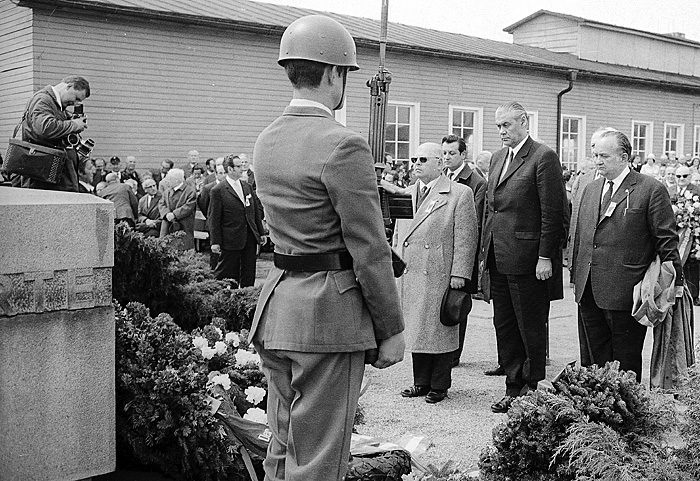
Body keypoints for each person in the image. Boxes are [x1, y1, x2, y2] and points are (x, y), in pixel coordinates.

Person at [249, 15, 405, 481]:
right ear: (335, 74)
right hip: (326, 320)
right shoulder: (342, 144)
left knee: (281, 448)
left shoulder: (267, 138)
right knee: (318, 461)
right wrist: (391, 328)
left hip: (279, 307)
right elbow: (369, 247)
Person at [572, 130, 682, 382]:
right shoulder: (590, 189)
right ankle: (596, 417)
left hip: (627, 292)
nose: (597, 161)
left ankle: (626, 418)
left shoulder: (649, 189)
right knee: (594, 364)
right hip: (589, 289)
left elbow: (666, 240)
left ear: (624, 157)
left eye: (604, 156)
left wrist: (675, 284)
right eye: (595, 155)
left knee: (625, 364)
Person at [481, 101, 566, 414]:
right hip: (499, 257)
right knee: (505, 326)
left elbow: (552, 213)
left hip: (529, 259)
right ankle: (514, 387)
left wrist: (546, 257)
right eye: (498, 126)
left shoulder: (543, 157)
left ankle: (532, 389)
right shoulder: (497, 158)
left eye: (507, 125)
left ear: (524, 122)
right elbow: (492, 209)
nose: (502, 132)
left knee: (529, 325)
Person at [394, 142, 477, 403]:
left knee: (439, 328)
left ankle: (439, 385)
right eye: (414, 160)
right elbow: (399, 234)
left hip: (439, 270)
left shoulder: (458, 194)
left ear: (439, 164)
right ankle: (420, 381)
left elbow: (466, 237)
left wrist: (460, 273)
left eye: (423, 159)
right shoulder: (407, 193)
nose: (416, 164)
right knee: (417, 327)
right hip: (411, 270)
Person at [441, 134, 486, 368]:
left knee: (457, 303)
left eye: (451, 153)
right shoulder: (441, 178)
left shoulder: (476, 182)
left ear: (463, 155)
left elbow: (474, 223)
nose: (447, 157)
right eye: (444, 153)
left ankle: (454, 353)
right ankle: (442, 350)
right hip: (441, 250)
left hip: (462, 250)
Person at [11, 76, 90, 192]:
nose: (75, 103)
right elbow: (45, 128)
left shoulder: (56, 104)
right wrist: (73, 124)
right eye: (76, 98)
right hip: (42, 173)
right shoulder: (43, 100)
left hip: (49, 173)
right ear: (69, 86)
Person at [208, 155, 265, 286]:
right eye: (238, 166)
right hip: (230, 239)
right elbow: (214, 219)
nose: (242, 169)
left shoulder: (247, 187)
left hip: (249, 237)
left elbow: (254, 211)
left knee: (249, 273)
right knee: (229, 275)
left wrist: (260, 232)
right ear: (230, 169)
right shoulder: (218, 190)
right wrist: (215, 242)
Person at [158, 168, 197, 250]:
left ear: (176, 180)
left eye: (169, 179)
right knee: (165, 248)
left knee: (183, 249)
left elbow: (188, 207)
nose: (166, 181)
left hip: (184, 226)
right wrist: (167, 214)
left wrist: (174, 214)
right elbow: (161, 203)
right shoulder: (167, 191)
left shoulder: (190, 192)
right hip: (167, 226)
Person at [199, 163, 227, 269]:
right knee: (215, 250)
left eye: (225, 173)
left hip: (227, 224)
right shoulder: (208, 188)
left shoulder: (229, 187)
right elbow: (203, 204)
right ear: (215, 174)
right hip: (214, 224)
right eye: (220, 173)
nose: (223, 175)